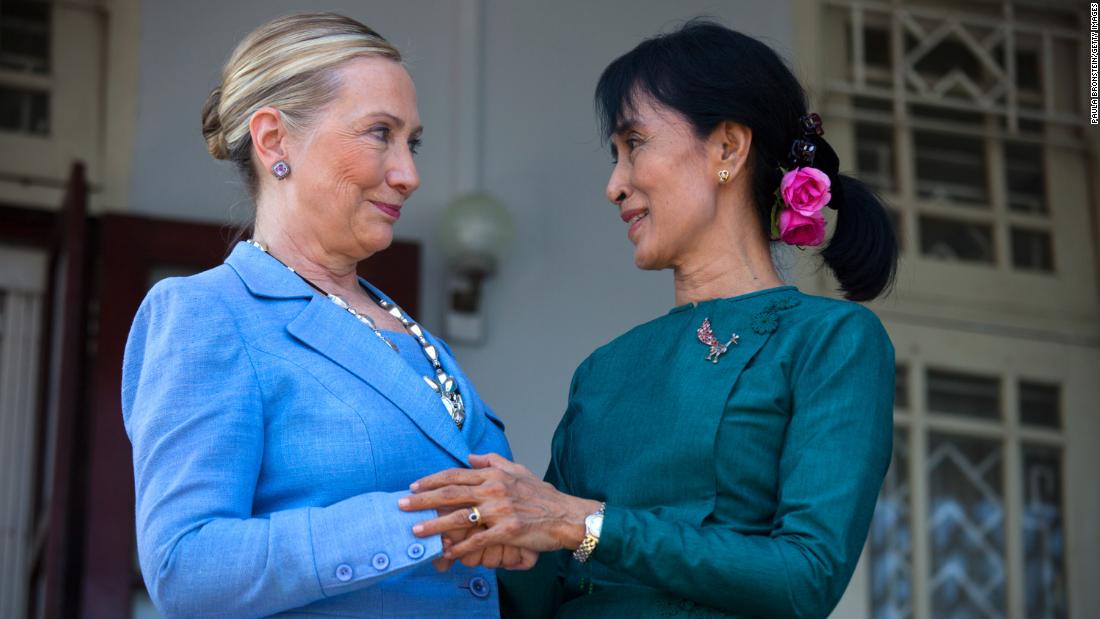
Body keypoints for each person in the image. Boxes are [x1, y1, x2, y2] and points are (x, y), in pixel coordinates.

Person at [399, 20, 898, 618]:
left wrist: (578, 521)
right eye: (614, 155)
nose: (614, 185)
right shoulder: (605, 370)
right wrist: (485, 523)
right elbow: (545, 583)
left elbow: (804, 577)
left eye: (635, 144)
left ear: (727, 149)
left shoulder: (830, 341)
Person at [121, 12, 530, 618]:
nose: (409, 174)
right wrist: (418, 523)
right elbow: (186, 566)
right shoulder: (207, 314)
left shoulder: (425, 344)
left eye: (411, 141)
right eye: (379, 134)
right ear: (273, 141)